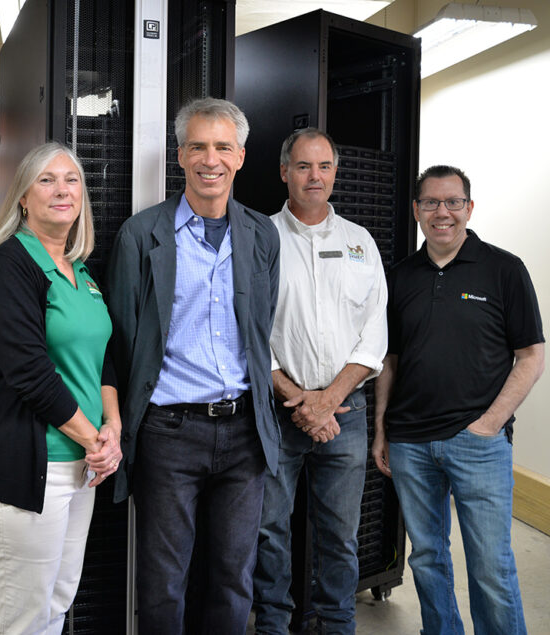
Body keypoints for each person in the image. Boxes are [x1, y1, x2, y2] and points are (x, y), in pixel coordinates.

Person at [106, 97, 281, 634]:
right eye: (198, 146)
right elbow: (121, 342)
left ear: (241, 157)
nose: (211, 159)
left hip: (244, 430)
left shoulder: (261, 235)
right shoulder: (142, 235)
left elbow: (260, 330)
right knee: (164, 581)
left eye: (223, 147)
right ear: (180, 156)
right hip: (169, 431)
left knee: (233, 577)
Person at [0, 142, 122, 634]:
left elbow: (102, 356)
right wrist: (96, 441)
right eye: (46, 179)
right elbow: (28, 371)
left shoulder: (81, 272)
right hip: (24, 466)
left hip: (80, 466)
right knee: (20, 618)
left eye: (71, 179)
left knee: (55, 605)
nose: (62, 189)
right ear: (24, 197)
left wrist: (111, 428)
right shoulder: (9, 266)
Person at [372, 165, 545, 635]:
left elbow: (531, 356)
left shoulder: (503, 268)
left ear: (469, 208)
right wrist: (383, 430)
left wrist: (489, 424)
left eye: (452, 202)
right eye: (430, 202)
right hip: (410, 443)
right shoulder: (401, 276)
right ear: (416, 210)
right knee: (427, 559)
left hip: (479, 443)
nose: (441, 212)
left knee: (491, 566)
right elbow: (390, 360)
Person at [252, 128, 387, 634]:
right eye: (303, 167)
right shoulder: (260, 235)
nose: (315, 176)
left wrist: (327, 401)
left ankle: (337, 624)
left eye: (324, 166)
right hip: (276, 412)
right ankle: (273, 625)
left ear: (334, 172)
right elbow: (248, 327)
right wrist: (298, 398)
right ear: (284, 171)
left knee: (341, 535)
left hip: (344, 414)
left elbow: (375, 330)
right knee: (269, 531)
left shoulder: (359, 241)